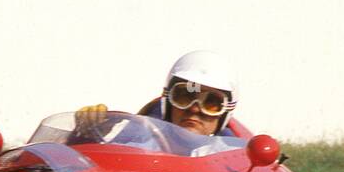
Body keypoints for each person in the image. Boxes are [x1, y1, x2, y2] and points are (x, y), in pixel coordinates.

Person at [75, 50, 239, 139]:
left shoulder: (237, 165)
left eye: (211, 103)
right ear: (168, 101)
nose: (195, 109)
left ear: (225, 113)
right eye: (185, 97)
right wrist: (87, 135)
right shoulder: (138, 144)